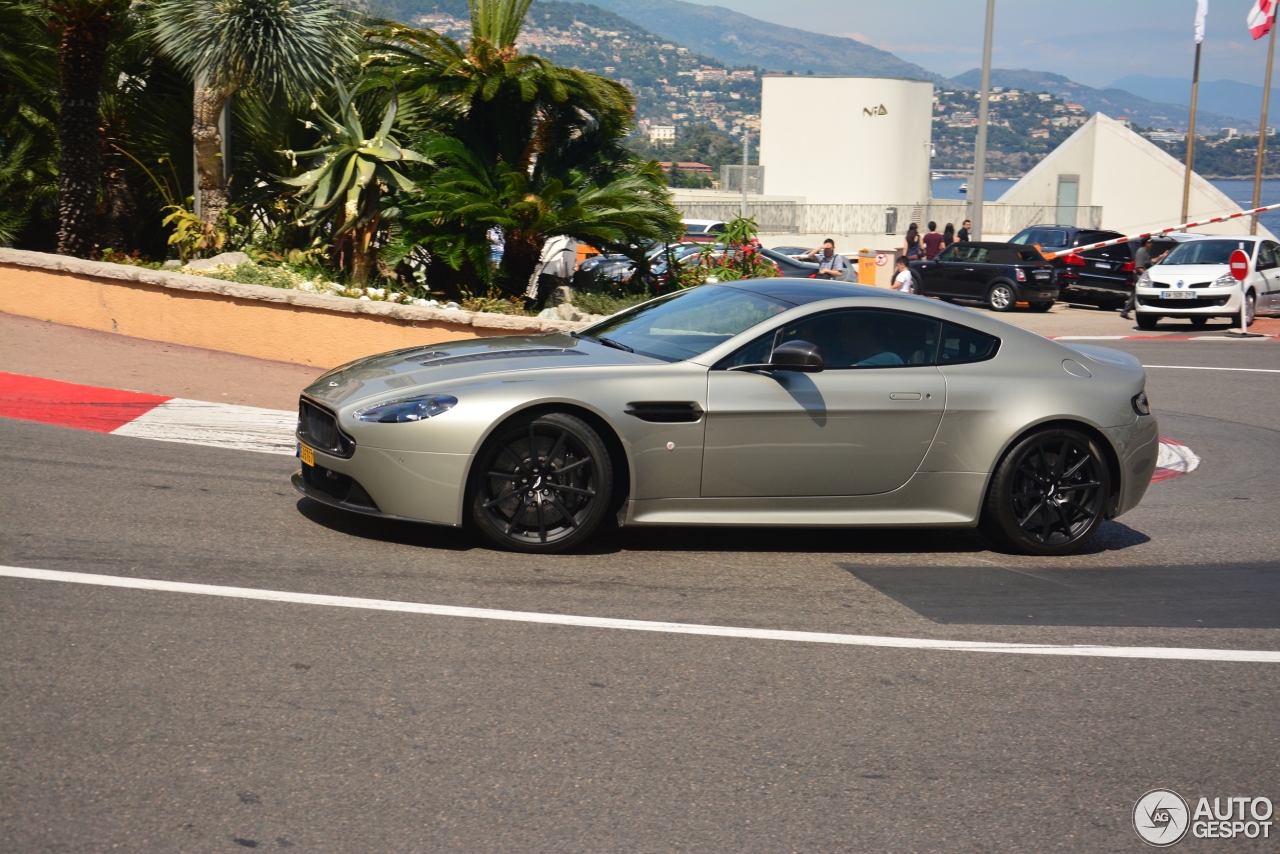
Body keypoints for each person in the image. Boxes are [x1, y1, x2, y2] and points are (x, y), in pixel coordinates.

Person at [1120, 236, 1168, 319]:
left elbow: (1151, 261)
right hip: (1140, 277)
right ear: (1147, 243)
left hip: (1142, 277)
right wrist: (1147, 277)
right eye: (1150, 242)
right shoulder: (1141, 251)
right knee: (1146, 295)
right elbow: (1139, 267)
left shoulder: (1145, 252)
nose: (1151, 244)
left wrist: (1161, 256)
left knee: (1134, 296)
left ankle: (1125, 312)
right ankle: (1155, 314)